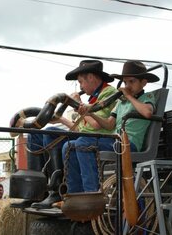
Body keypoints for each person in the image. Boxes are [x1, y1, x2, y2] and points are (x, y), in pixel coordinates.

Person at [14, 60, 117, 209]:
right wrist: (61, 119)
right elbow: (80, 130)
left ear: (91, 77)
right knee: (34, 134)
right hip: (86, 136)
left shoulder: (108, 93)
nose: (80, 86)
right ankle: (35, 193)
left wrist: (77, 103)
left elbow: (95, 125)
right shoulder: (92, 98)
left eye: (81, 81)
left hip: (99, 138)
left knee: (51, 133)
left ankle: (57, 191)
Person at [62, 60, 159, 193]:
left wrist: (129, 96)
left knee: (82, 143)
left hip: (129, 144)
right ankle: (75, 195)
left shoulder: (147, 97)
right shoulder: (121, 103)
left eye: (132, 81)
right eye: (125, 82)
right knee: (68, 146)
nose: (127, 86)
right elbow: (109, 124)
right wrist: (90, 113)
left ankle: (91, 194)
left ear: (144, 82)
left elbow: (148, 112)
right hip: (116, 141)